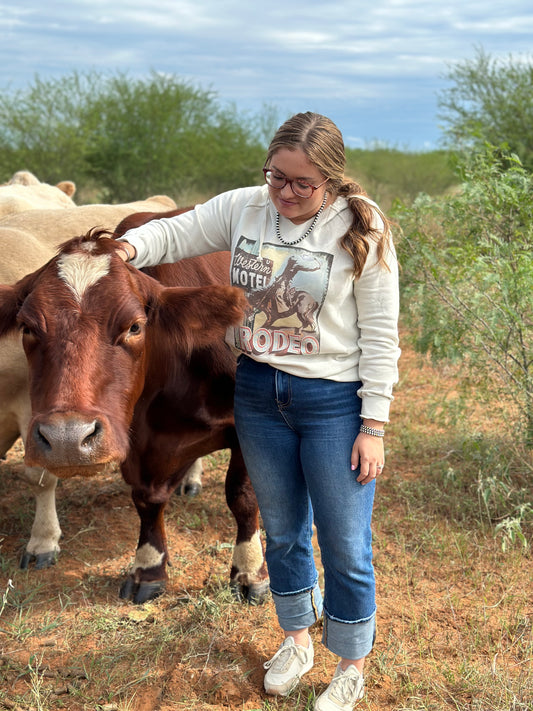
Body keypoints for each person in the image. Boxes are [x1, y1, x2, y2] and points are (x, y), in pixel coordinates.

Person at [117, 111, 400, 711]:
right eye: (277, 178)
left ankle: (350, 665)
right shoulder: (246, 207)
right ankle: (295, 639)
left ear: (331, 179)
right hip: (258, 392)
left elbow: (380, 333)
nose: (286, 194)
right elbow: (175, 233)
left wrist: (373, 423)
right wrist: (126, 246)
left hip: (332, 401)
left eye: (302, 184)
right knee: (284, 530)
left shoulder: (362, 224)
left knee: (346, 542)